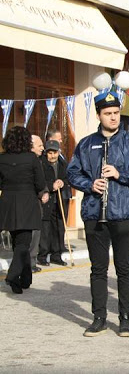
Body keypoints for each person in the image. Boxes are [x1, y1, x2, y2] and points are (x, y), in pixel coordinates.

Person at [67, 91, 129, 337]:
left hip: (124, 212)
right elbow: (72, 173)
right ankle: (99, 317)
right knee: (98, 268)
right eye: (108, 114)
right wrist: (90, 184)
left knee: (125, 268)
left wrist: (119, 174)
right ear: (99, 115)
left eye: (116, 113)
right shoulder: (86, 143)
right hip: (95, 213)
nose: (113, 117)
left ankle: (125, 319)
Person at [0, 126, 48, 294]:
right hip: (27, 202)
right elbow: (40, 183)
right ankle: (13, 276)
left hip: (7, 203)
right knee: (23, 243)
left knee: (18, 243)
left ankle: (25, 279)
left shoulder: (2, 158)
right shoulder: (31, 158)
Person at [38, 140, 69, 267]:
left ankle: (57, 255)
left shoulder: (63, 164)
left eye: (54, 152)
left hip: (60, 200)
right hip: (47, 201)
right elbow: (39, 181)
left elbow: (68, 178)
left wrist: (62, 182)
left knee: (58, 228)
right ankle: (43, 256)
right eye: (49, 153)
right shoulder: (41, 164)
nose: (52, 156)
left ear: (59, 152)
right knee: (45, 230)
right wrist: (51, 186)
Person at [30, 135, 46, 272]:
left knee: (36, 235)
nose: (43, 148)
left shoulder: (40, 160)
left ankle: (31, 262)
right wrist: (43, 192)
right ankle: (28, 263)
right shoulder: (30, 162)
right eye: (39, 145)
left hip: (36, 203)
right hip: (29, 204)